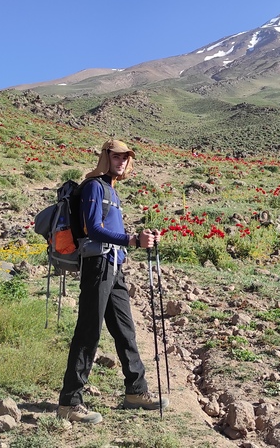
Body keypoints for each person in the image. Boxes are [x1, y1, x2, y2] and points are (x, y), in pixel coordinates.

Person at [56, 139, 167, 425]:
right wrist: (132, 239)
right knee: (88, 332)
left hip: (113, 266)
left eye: (126, 158)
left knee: (125, 329)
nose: (122, 162)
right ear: (105, 157)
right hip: (97, 265)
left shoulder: (111, 190)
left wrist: (140, 239)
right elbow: (93, 228)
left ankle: (136, 391)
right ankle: (69, 401)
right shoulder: (95, 186)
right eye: (117, 157)